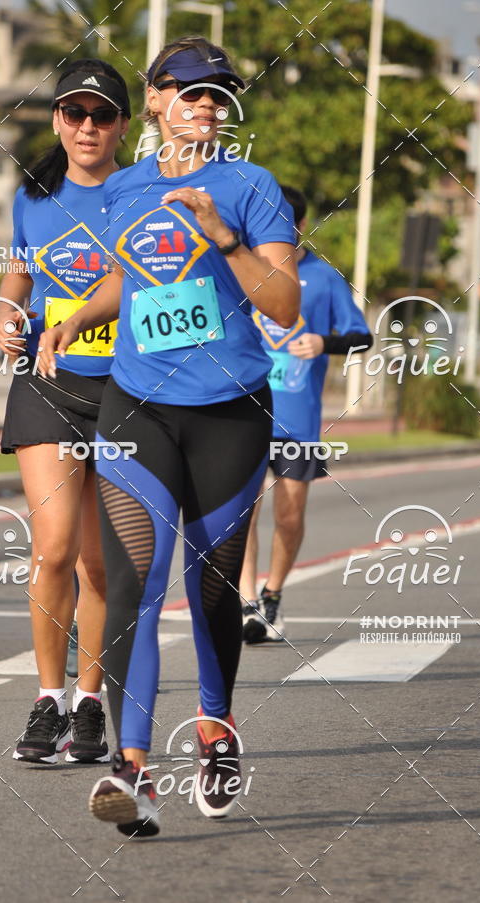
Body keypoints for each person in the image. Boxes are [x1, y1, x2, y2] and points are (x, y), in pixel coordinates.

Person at [38, 35, 299, 834]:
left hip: (229, 409)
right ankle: (134, 768)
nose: (205, 105)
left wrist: (223, 234)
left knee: (212, 589)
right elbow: (132, 273)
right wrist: (80, 313)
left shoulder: (252, 186)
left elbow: (284, 302)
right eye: (188, 91)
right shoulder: (123, 188)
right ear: (154, 100)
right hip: (137, 405)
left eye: (217, 93)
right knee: (133, 584)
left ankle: (216, 733)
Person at [0, 59, 130, 764]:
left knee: (99, 566)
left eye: (101, 115)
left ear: (122, 127)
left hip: (124, 394)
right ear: (56, 120)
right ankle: (47, 697)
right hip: (47, 383)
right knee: (52, 548)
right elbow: (21, 266)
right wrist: (7, 311)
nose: (86, 127)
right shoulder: (34, 195)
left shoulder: (140, 193)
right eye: (74, 113)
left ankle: (89, 702)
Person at [240, 186, 373, 643]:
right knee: (244, 511)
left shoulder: (324, 277)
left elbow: (361, 336)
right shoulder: (241, 269)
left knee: (290, 513)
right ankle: (246, 603)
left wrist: (323, 342)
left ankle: (272, 594)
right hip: (243, 415)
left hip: (297, 420)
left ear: (296, 226)